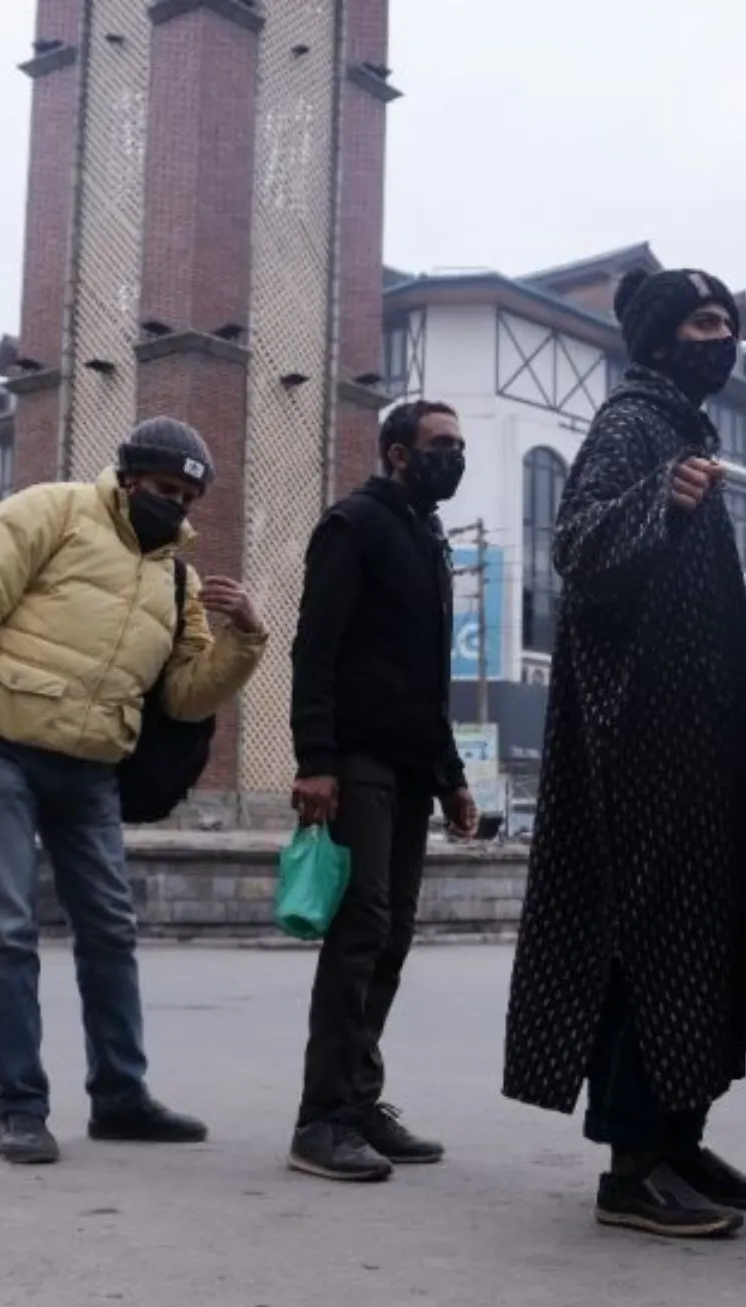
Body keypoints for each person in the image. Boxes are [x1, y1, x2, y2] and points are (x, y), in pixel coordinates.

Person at [503, 266, 746, 1240]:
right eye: (704, 323)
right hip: (643, 746)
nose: (723, 338)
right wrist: (659, 502)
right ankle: (633, 1166)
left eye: (727, 322)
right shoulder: (634, 426)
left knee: (704, 944)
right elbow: (575, 549)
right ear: (662, 338)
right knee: (651, 942)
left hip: (698, 739)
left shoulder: (682, 427)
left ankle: (678, 1136)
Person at [0, 416, 267, 1165]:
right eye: (163, 488)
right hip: (0, 748)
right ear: (130, 475)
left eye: (186, 497)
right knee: (9, 931)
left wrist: (245, 638)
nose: (173, 504)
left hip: (91, 768)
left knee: (111, 931)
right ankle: (18, 1106)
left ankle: (120, 1097)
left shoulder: (175, 578)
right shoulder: (50, 511)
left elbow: (184, 696)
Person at [287, 401, 481, 1183]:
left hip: (408, 767)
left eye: (460, 445)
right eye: (441, 444)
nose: (455, 457)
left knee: (392, 934)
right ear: (398, 454)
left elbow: (428, 679)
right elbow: (315, 649)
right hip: (357, 761)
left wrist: (453, 776)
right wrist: (316, 760)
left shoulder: (428, 539)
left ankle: (359, 1102)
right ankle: (322, 1119)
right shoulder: (354, 525)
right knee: (360, 927)